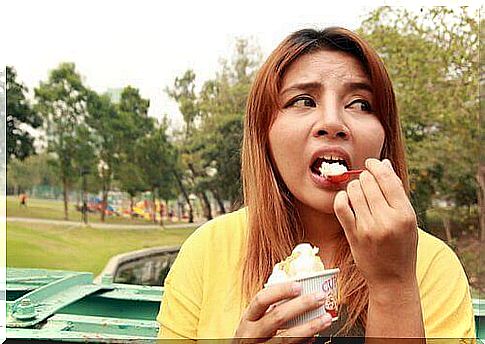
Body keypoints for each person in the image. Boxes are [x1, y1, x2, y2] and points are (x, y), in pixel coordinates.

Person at [157, 27, 476, 341]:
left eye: (360, 104)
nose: (333, 123)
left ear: (385, 136)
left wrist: (393, 283)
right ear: (263, 133)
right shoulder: (209, 251)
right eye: (304, 100)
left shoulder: (431, 265)